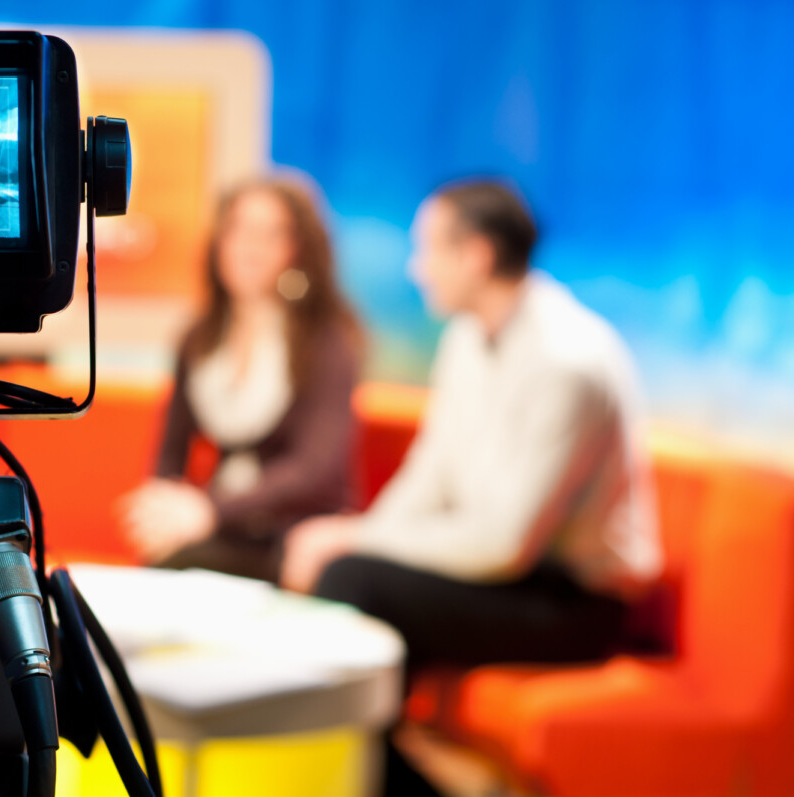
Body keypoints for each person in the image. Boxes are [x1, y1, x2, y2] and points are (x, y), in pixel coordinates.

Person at [280, 179, 661, 795]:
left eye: (428, 249)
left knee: (352, 580)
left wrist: (355, 541)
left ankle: (378, 780)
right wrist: (354, 539)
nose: (416, 267)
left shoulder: (568, 361)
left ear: (476, 255)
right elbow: (429, 478)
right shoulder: (467, 337)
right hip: (513, 578)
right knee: (344, 568)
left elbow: (503, 546)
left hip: (576, 602)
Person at [118, 176, 362, 584]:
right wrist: (162, 507)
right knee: (162, 566)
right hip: (224, 524)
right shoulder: (199, 337)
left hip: (295, 532)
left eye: (270, 234)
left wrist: (209, 510)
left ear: (298, 249)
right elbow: (170, 450)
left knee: (182, 569)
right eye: (239, 230)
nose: (251, 248)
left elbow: (313, 467)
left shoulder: (326, 341)